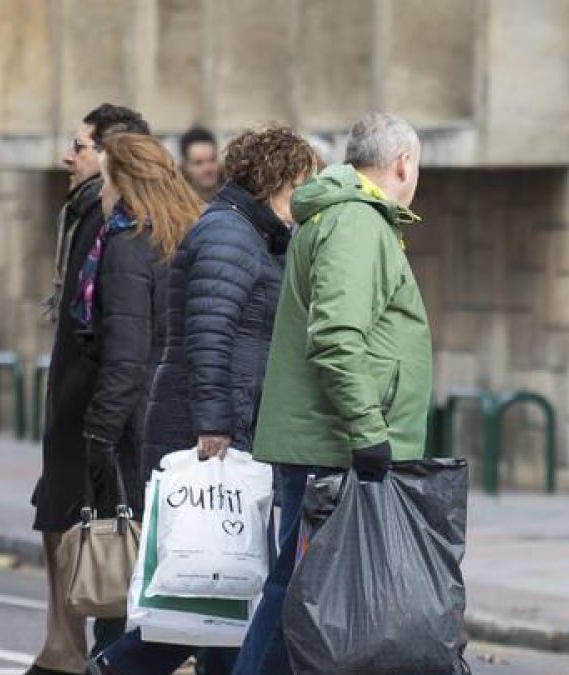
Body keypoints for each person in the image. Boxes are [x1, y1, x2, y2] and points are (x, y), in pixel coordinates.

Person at [89, 125, 318, 675]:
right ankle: (115, 667)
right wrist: (214, 424)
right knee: (207, 590)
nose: (304, 199)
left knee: (222, 594)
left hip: (226, 423)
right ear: (277, 179)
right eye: (302, 184)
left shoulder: (251, 234)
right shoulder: (228, 235)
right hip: (208, 432)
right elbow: (208, 335)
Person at [230, 112, 431, 675]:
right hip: (334, 446)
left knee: (304, 594)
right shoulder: (356, 223)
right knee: (298, 594)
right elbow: (338, 338)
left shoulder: (350, 218)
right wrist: (370, 433)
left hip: (325, 442)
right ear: (402, 163)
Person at [28, 104, 160, 675]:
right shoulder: (87, 215)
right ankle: (64, 653)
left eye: (79, 146)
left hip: (102, 423)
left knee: (104, 546)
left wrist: (99, 431)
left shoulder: (120, 230)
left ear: (112, 155)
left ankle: (83, 659)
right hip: (82, 419)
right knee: (71, 533)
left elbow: (124, 344)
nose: (68, 155)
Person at [179, 126, 223, 202]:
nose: (207, 168)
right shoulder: (177, 204)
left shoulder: (235, 199)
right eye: (198, 163)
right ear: (185, 166)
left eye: (212, 160)